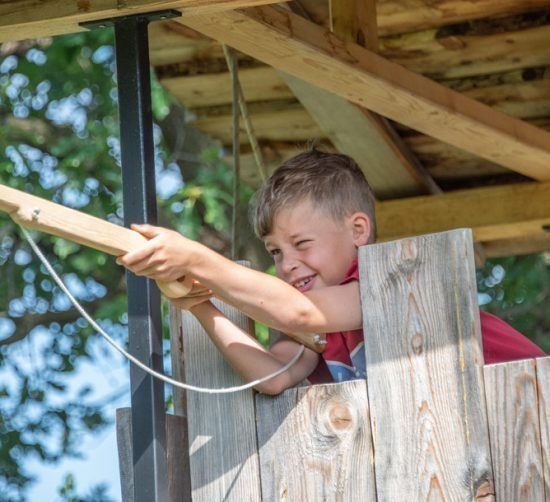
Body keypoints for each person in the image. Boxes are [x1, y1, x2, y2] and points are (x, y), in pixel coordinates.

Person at [117, 149, 546, 393]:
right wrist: (201, 304)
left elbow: (299, 313)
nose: (287, 263)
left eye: (302, 244)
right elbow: (273, 376)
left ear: (358, 230)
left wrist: (197, 260)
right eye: (275, 251)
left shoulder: (393, 283)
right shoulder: (316, 325)